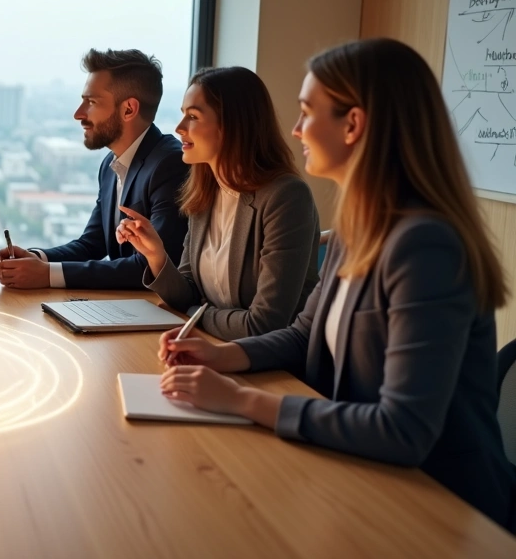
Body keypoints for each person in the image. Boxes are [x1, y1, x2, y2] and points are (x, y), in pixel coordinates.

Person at [156, 38, 515, 531]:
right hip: (363, 474)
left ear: (353, 124)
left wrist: (242, 399)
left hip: (441, 507)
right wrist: (221, 356)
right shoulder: (360, 227)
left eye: (307, 112)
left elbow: (403, 429)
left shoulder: (426, 246)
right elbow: (305, 333)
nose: (296, 129)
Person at [116, 66, 320, 340]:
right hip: (212, 347)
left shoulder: (286, 197)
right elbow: (188, 292)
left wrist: (193, 314)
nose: (179, 128)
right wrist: (156, 255)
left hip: (273, 370)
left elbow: (263, 325)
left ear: (231, 125)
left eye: (192, 116)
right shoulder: (206, 191)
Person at [0, 48, 188, 290]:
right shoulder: (110, 165)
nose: (78, 114)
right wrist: (37, 258)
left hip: (158, 312)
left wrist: (47, 275)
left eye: (91, 102)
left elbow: (152, 267)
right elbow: (91, 244)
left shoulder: (170, 164)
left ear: (128, 109)